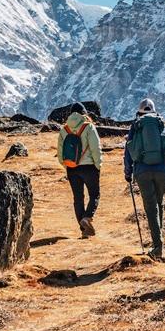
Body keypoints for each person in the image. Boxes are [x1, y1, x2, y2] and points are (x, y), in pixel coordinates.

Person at [123, 98, 165, 260]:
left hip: (142, 171)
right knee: (158, 204)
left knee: (150, 207)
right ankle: (158, 240)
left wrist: (128, 172)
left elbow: (128, 151)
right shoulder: (160, 124)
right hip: (162, 171)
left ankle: (157, 245)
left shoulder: (136, 126)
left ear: (139, 112)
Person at [57, 102, 102, 238]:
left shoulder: (64, 129)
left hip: (72, 168)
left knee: (78, 198)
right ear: (84, 113)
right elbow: (95, 147)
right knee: (94, 195)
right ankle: (87, 217)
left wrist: (67, 166)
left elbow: (60, 153)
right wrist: (98, 164)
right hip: (89, 167)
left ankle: (84, 232)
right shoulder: (88, 127)